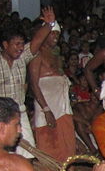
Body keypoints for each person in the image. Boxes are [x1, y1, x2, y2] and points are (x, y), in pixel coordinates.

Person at [0, 7, 57, 160]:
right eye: (16, 44)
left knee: (27, 157)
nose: (20, 48)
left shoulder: (22, 58)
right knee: (1, 158)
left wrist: (49, 24)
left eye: (22, 44)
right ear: (5, 44)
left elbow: (36, 42)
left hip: (19, 113)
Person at [28, 21, 76, 163]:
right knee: (48, 140)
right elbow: (34, 85)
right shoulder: (36, 54)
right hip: (46, 104)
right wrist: (46, 110)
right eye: (52, 33)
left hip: (62, 105)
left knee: (66, 140)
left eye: (57, 34)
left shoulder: (56, 54)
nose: (55, 36)